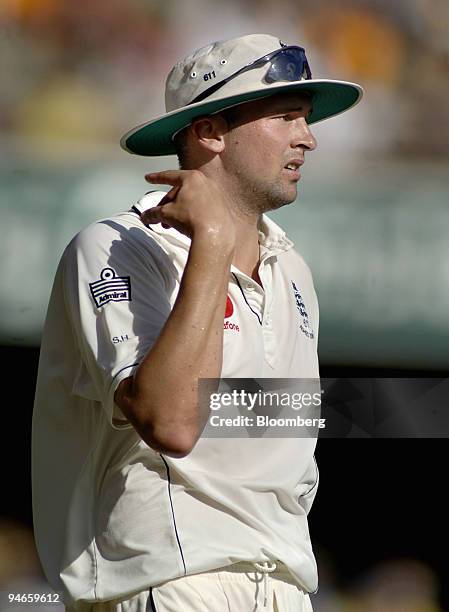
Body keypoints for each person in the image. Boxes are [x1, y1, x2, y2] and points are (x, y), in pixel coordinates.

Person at [32, 34, 363, 612]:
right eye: (286, 116)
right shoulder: (114, 247)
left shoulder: (293, 269)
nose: (307, 139)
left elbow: (283, 440)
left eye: (306, 121)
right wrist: (210, 240)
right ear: (210, 132)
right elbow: (173, 423)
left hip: (287, 583)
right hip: (172, 577)